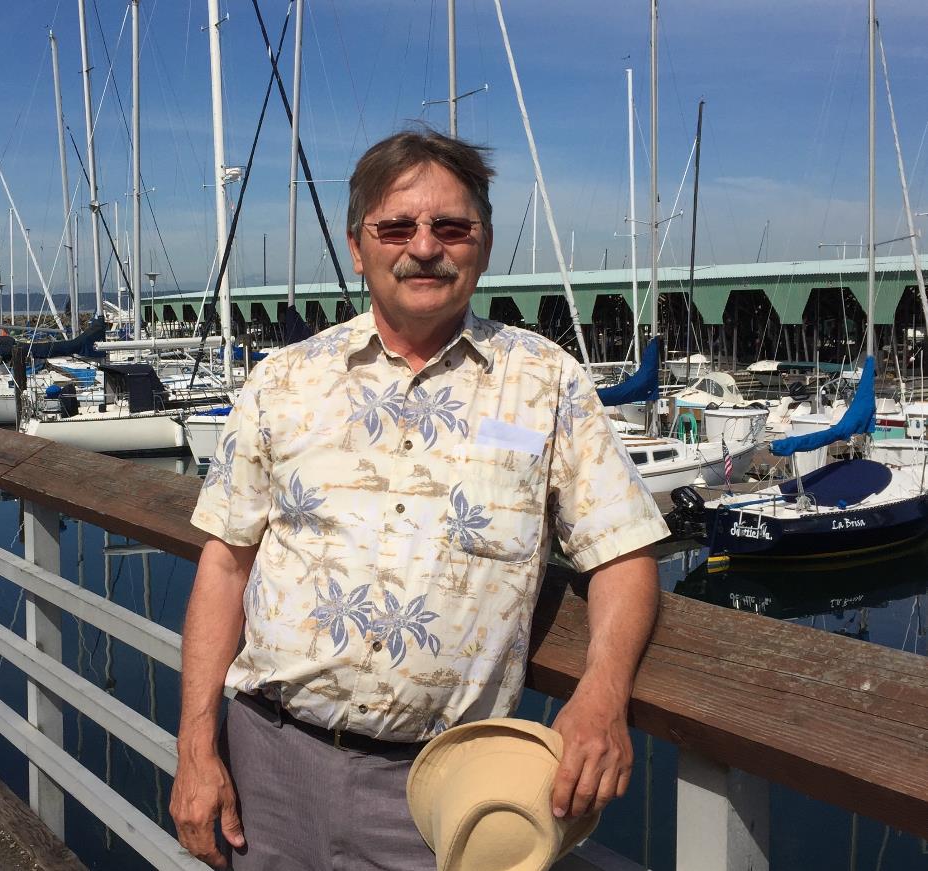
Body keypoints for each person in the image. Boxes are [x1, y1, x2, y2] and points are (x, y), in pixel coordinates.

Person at [171, 128, 669, 870]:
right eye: (397, 227)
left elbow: (622, 551)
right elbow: (225, 566)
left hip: (446, 791)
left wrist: (602, 694)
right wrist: (194, 751)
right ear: (357, 245)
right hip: (266, 764)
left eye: (450, 227)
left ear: (485, 241)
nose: (424, 247)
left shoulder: (546, 381)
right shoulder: (283, 380)